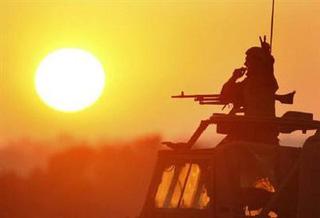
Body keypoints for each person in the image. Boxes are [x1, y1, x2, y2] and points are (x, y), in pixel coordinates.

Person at [220, 37, 279, 144]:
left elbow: (269, 68)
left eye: (248, 60)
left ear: (258, 62)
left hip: (262, 133)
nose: (245, 64)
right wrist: (233, 78)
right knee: (223, 148)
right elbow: (224, 97)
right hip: (249, 130)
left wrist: (267, 56)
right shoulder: (247, 83)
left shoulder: (266, 81)